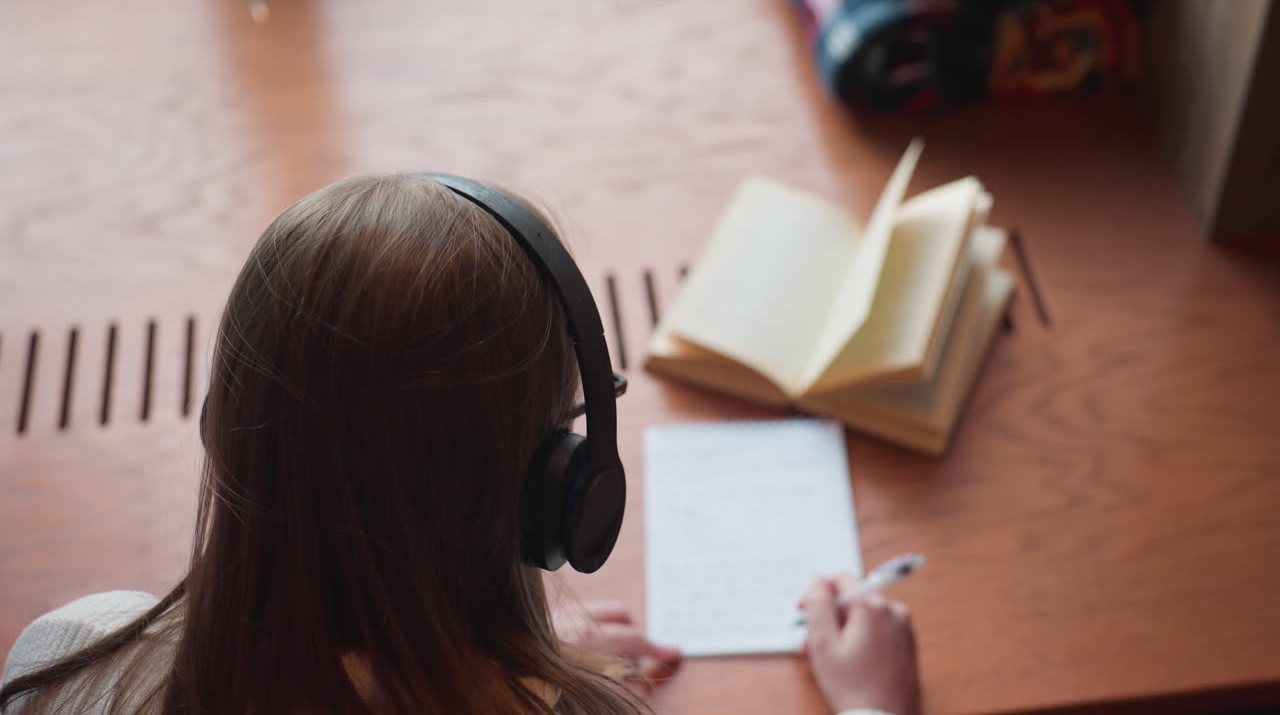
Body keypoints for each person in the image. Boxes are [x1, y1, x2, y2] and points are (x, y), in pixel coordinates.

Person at [0, 173, 919, 714]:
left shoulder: (65, 662)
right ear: (555, 496)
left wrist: (438, 644)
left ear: (228, 436)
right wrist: (875, 704)